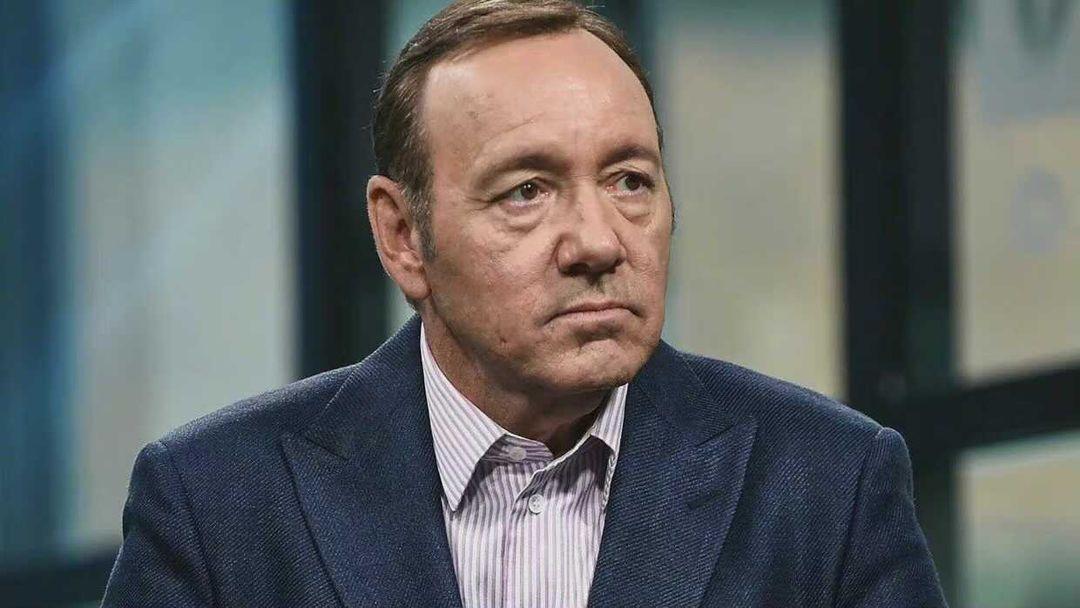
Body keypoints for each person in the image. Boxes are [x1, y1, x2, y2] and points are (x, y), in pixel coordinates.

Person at [102, 1, 947, 606]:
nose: (599, 242)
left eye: (630, 181)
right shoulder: (217, 505)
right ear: (402, 235)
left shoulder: (828, 486)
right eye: (527, 191)